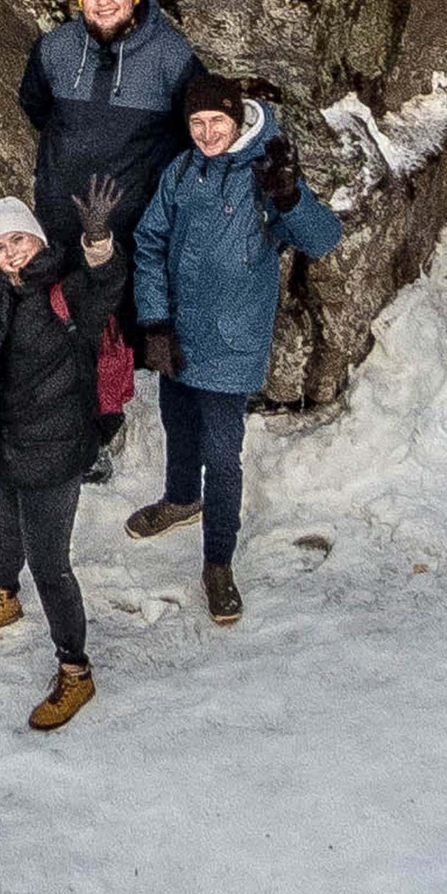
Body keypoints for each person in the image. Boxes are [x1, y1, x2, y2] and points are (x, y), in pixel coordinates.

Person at [125, 76, 344, 623]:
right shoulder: (179, 172)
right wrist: (154, 321)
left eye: (216, 123)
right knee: (176, 421)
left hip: (231, 339)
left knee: (222, 456)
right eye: (196, 124)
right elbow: (150, 243)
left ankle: (218, 563)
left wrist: (289, 198)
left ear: (238, 120)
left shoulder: (267, 170)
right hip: (177, 332)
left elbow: (322, 239)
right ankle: (180, 500)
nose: (206, 133)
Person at [18, 0, 206, 476]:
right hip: (59, 219)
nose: (102, 2)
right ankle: (58, 423)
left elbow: (203, 124)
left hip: (126, 229)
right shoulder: (55, 49)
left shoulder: (170, 55)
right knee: (57, 323)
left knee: (110, 335)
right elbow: (35, 106)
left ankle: (102, 431)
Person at [0, 181, 127, 732]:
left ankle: (75, 670)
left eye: (19, 241)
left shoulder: (64, 288)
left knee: (50, 565)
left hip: (54, 449)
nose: (10, 254)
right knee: (5, 529)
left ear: (38, 239)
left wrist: (98, 243)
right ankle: (3, 595)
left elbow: (106, 286)